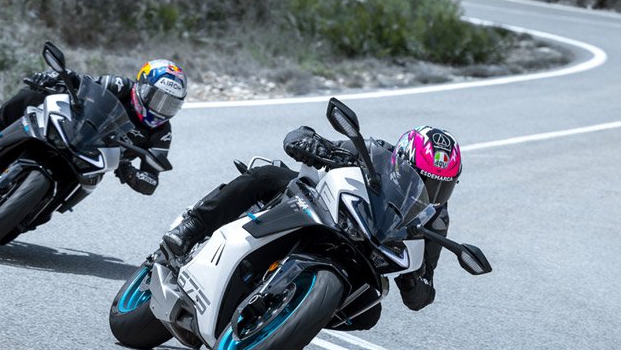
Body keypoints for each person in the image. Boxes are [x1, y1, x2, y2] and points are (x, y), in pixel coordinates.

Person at [162, 125, 462, 328]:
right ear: (402, 160)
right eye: (424, 180)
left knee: (368, 312)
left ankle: (289, 320)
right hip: (323, 211)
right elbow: (305, 138)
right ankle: (192, 227)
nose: (430, 192)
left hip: (362, 254)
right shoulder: (376, 154)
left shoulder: (434, 218)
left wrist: (414, 281)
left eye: (441, 187)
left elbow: (421, 290)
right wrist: (309, 144)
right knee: (266, 175)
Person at [0, 59, 188, 196]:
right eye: (158, 98)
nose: (161, 108)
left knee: (75, 192)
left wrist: (130, 172)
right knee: (31, 95)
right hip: (75, 130)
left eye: (170, 104)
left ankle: (30, 214)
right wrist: (59, 77)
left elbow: (151, 180)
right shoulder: (121, 86)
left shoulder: (162, 132)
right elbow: (85, 83)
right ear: (141, 86)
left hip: (93, 162)